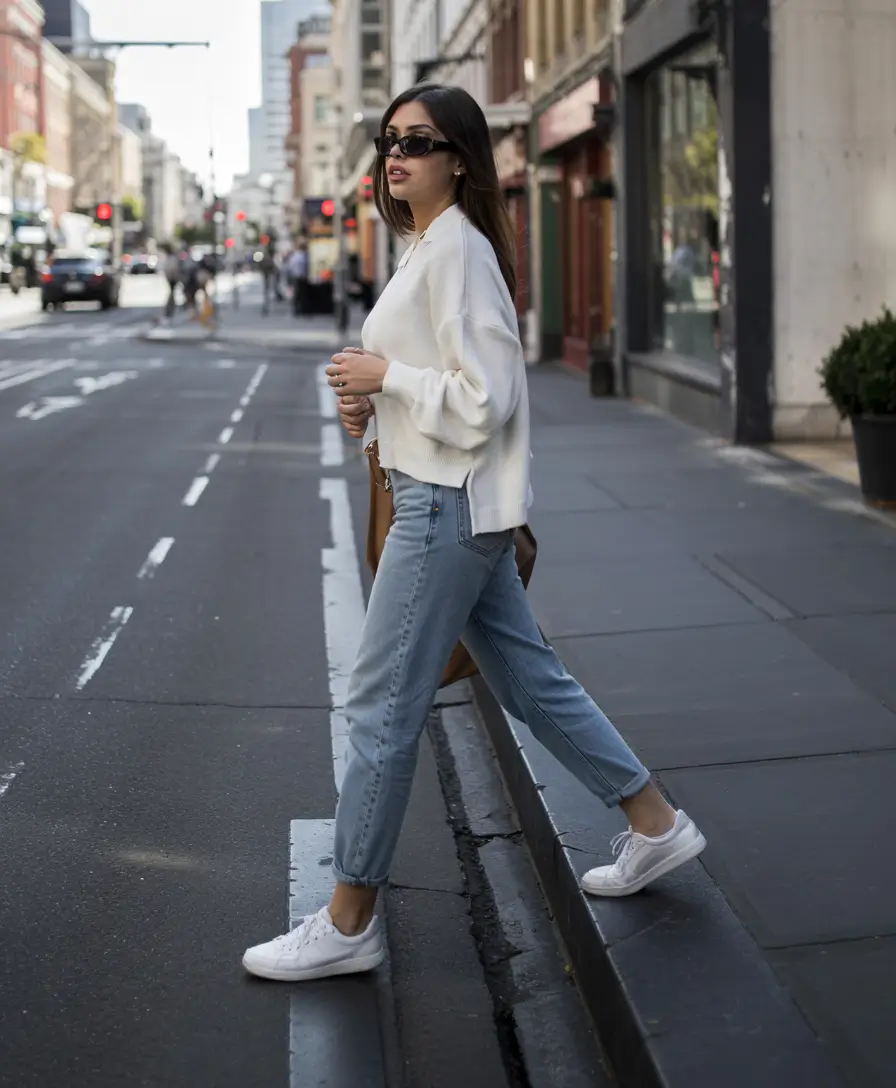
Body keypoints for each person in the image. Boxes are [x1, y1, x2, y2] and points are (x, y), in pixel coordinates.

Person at [242, 84, 706, 983]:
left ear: (461, 155)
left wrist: (391, 378)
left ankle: (349, 919)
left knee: (381, 705)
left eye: (419, 140)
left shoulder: (458, 250)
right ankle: (656, 823)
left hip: (444, 507)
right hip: (449, 494)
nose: (397, 153)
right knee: (530, 680)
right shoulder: (427, 248)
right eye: (390, 140)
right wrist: (372, 402)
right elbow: (437, 386)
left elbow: (488, 397)